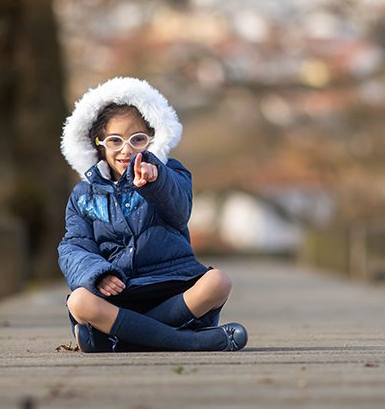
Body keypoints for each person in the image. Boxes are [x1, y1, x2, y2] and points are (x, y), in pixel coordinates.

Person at [58, 76, 248, 352]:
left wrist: (156, 181)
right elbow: (73, 246)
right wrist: (97, 274)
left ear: (152, 140)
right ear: (99, 144)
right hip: (118, 292)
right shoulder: (83, 195)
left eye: (138, 139)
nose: (126, 149)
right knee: (79, 302)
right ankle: (189, 341)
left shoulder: (171, 174)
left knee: (218, 282)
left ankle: (121, 340)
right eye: (115, 140)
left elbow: (180, 211)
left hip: (172, 285)